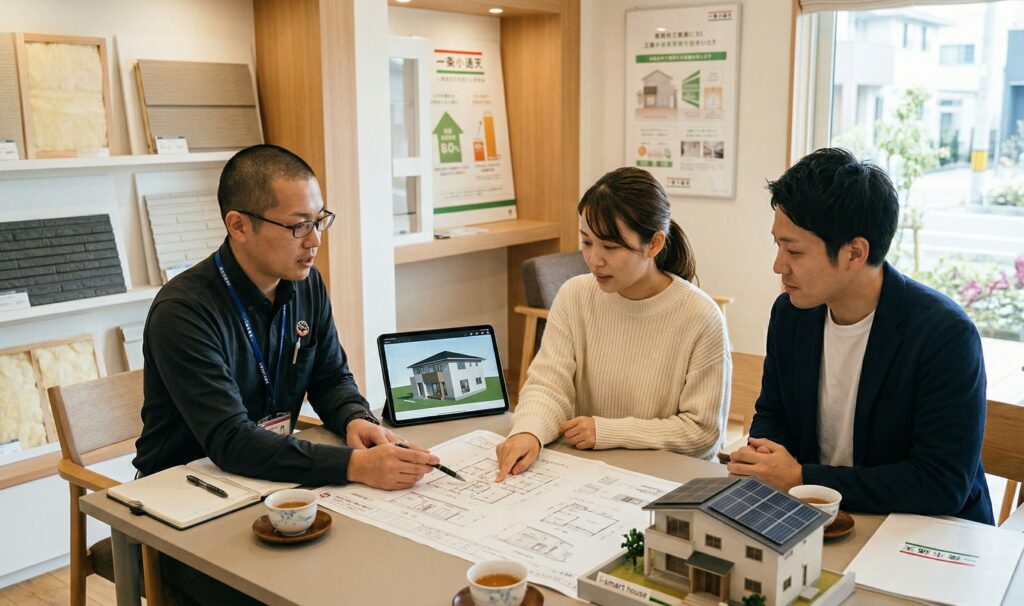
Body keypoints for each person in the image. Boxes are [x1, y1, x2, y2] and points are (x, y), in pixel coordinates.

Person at [134, 145, 438, 603]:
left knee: (370, 568)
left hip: (267, 479)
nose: (314, 240)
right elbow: (231, 441)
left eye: (319, 221)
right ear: (239, 225)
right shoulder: (184, 312)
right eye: (298, 226)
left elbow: (330, 377)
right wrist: (354, 466)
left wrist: (356, 419)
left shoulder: (305, 282)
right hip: (183, 504)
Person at [728, 148, 993, 525]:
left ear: (854, 252)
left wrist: (803, 478)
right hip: (819, 517)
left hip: (924, 531)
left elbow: (942, 483)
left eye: (794, 251)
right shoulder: (791, 313)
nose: (778, 266)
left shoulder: (944, 334)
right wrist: (766, 462)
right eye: (778, 245)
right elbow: (774, 413)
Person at [495, 167, 731, 481]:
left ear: (654, 244)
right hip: (588, 472)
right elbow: (548, 386)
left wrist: (608, 431)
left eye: (610, 247)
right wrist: (529, 432)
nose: (594, 259)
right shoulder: (575, 296)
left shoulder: (700, 316)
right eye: (586, 242)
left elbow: (702, 433)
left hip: (666, 480)